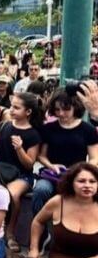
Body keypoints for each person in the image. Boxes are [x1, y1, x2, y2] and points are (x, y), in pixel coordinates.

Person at [0, 92, 43, 252]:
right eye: (12, 106)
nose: (12, 110)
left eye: (17, 107)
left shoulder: (33, 134)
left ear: (28, 112)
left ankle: (10, 232)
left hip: (22, 175)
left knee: (11, 194)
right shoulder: (4, 126)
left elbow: (29, 164)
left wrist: (19, 149)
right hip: (0, 170)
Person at [32, 90, 98, 218]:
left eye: (66, 109)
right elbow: (41, 155)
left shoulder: (87, 130)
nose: (61, 113)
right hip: (52, 174)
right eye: (57, 109)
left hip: (77, 174)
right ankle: (40, 225)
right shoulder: (49, 128)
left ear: (75, 107)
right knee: (40, 190)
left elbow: (94, 157)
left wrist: (81, 171)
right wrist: (51, 166)